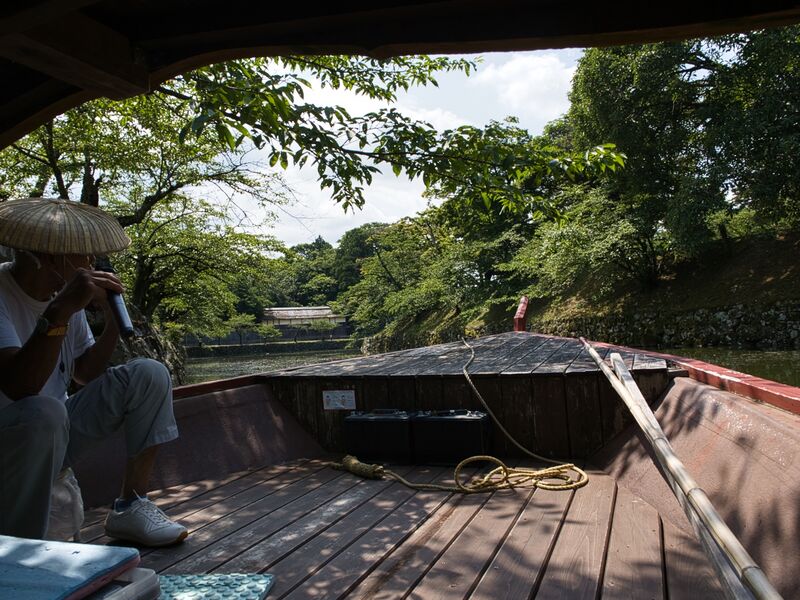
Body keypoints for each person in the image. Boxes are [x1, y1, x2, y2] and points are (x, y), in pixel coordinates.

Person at [0, 197, 187, 547]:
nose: (91, 264)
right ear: (49, 257)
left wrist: (113, 322)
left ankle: (131, 506)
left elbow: (84, 374)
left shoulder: (64, 295)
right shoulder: (19, 294)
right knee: (44, 411)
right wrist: (60, 310)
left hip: (55, 432)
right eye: (83, 256)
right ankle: (20, 551)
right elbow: (20, 386)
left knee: (149, 374)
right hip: (13, 440)